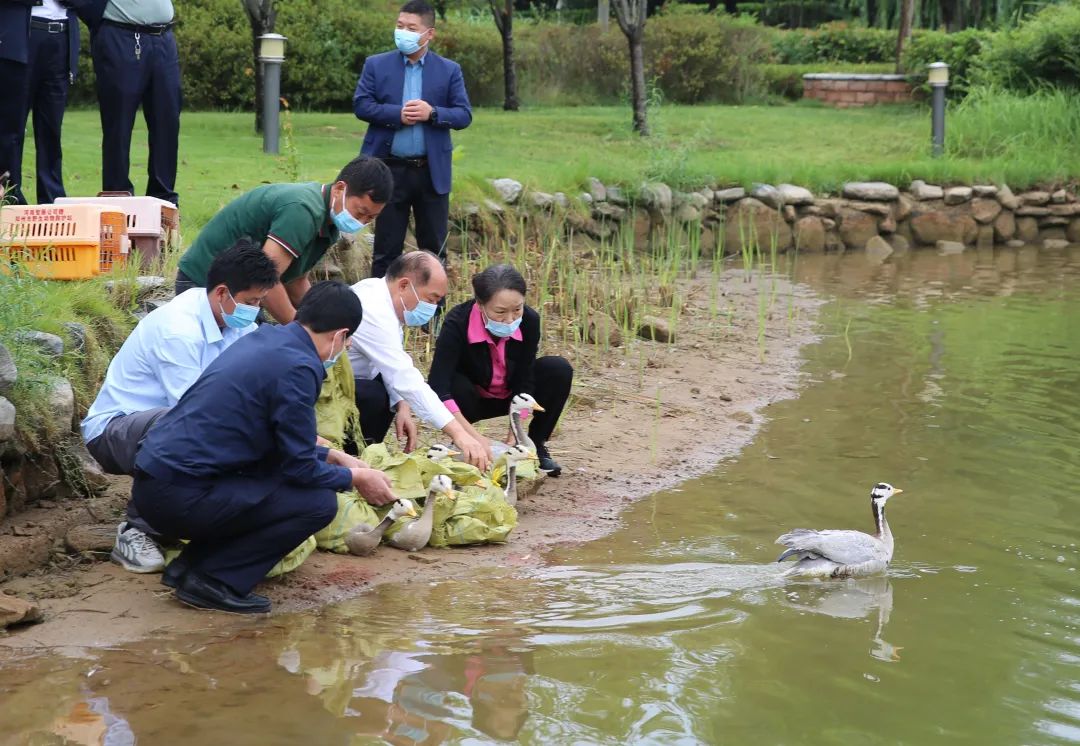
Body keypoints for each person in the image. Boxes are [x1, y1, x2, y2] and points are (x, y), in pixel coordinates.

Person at [131, 281, 396, 614]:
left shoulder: (268, 338)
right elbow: (298, 468)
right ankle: (214, 582)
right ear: (342, 335)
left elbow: (270, 441)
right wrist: (356, 479)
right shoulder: (301, 368)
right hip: (178, 496)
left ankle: (189, 568)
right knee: (316, 503)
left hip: (156, 485)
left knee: (268, 479)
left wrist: (333, 455)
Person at [82, 240, 279, 573]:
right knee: (191, 427)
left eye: (260, 301)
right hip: (116, 431)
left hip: (170, 423)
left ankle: (183, 517)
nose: (255, 310)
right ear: (221, 293)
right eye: (251, 301)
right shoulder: (178, 330)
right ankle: (136, 529)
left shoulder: (235, 322)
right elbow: (196, 412)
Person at [175, 156, 392, 324]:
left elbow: (295, 281)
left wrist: (322, 321)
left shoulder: (328, 222)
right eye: (360, 211)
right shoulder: (303, 210)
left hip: (242, 292)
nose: (361, 221)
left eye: (370, 217)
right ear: (340, 189)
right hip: (204, 286)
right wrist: (301, 331)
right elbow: (265, 279)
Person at [353, 0, 472, 278]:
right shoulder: (376, 64)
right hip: (388, 169)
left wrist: (433, 113)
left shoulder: (449, 70)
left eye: (411, 27)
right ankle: (381, 317)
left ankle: (433, 316)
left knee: (433, 252)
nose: (403, 32)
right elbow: (361, 105)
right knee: (385, 250)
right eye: (399, 26)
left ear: (428, 33)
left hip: (430, 172)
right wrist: (397, 114)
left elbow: (464, 115)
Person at [348, 250, 491, 472]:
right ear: (404, 285)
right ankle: (350, 463)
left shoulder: (385, 299)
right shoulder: (372, 308)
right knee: (374, 396)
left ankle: (361, 461)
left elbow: (387, 360)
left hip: (357, 377)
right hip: (327, 389)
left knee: (387, 396)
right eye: (430, 299)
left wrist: (402, 406)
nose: (432, 308)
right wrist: (459, 434)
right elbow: (405, 377)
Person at [428, 264, 573, 476]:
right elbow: (438, 386)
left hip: (510, 396)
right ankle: (463, 441)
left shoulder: (529, 321)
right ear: (480, 304)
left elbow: (526, 379)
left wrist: (517, 430)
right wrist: (472, 436)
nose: (510, 320)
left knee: (558, 369)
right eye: (500, 312)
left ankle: (536, 446)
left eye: (517, 309)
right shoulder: (457, 322)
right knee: (456, 385)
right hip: (471, 399)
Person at [86, 0, 181, 205]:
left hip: (163, 37)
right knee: (118, 124)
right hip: (121, 35)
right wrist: (95, 17)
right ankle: (118, 200)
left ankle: (163, 201)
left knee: (167, 121)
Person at [0, 0, 85, 204]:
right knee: (12, 125)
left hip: (61, 37)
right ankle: (10, 195)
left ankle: (52, 198)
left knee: (51, 128)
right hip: (22, 37)